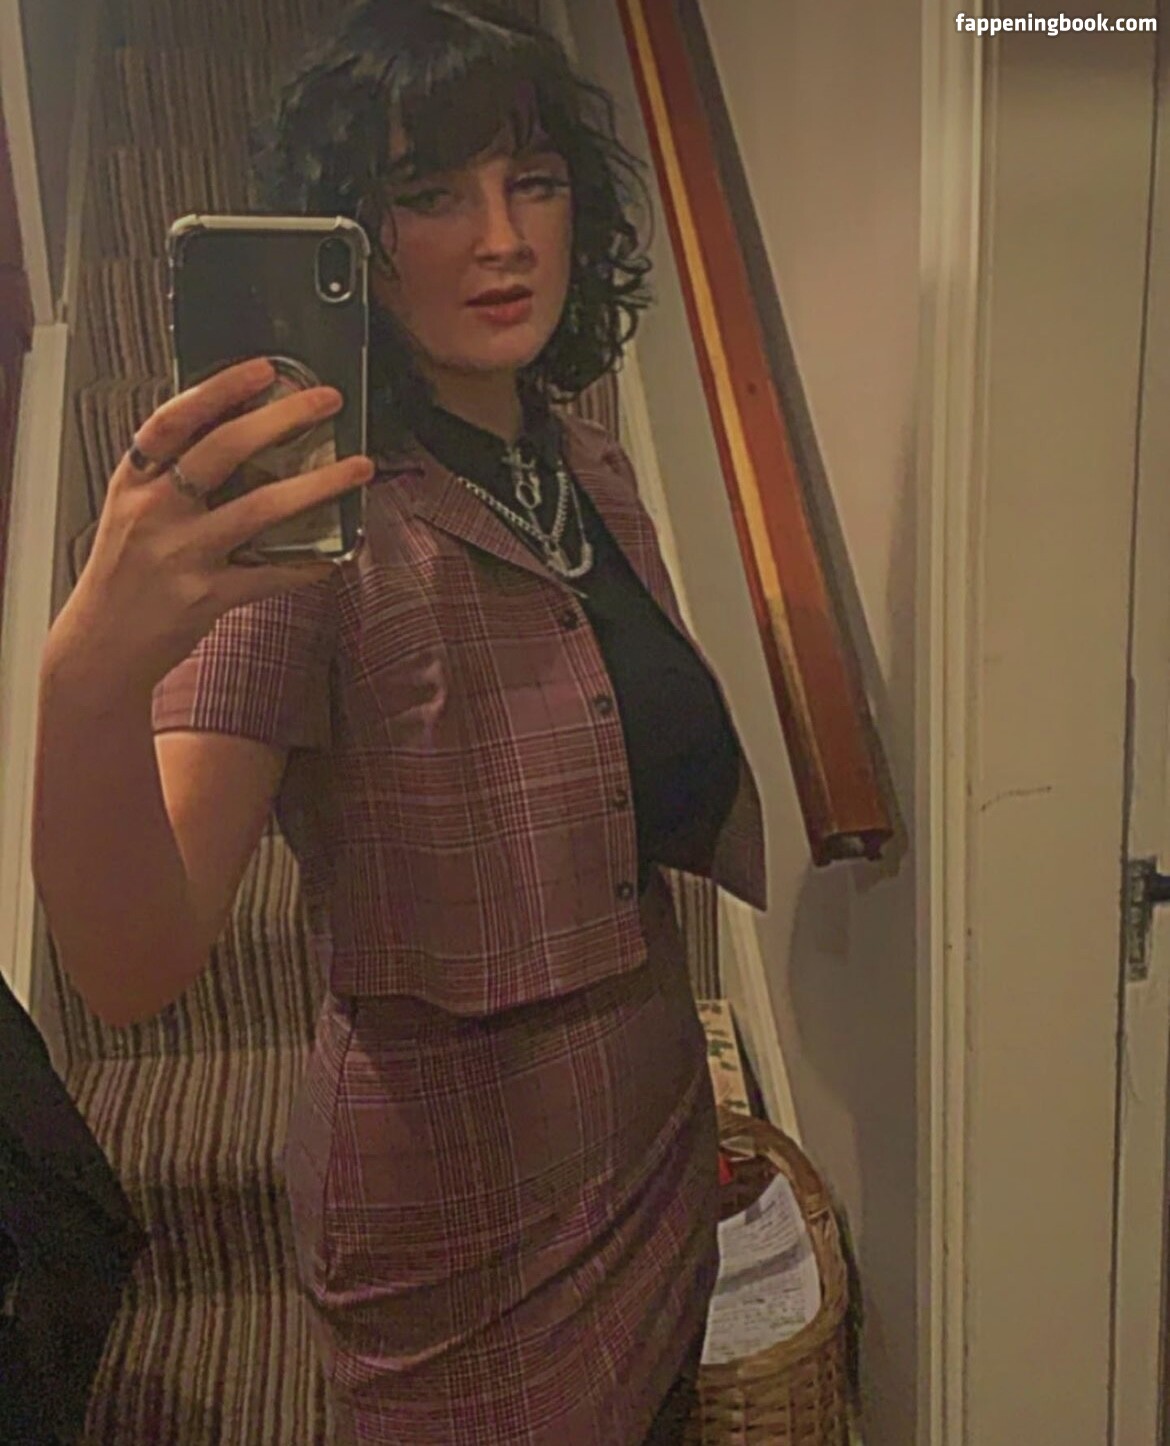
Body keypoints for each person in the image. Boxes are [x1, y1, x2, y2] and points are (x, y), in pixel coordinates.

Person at [32, 2, 767, 1441]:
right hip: (462, 1223)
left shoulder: (592, 467)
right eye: (430, 195)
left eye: (531, 181)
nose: (501, 238)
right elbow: (129, 967)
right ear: (348, 238)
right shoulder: (306, 533)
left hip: (655, 1150)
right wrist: (85, 682)